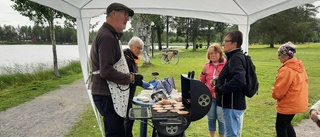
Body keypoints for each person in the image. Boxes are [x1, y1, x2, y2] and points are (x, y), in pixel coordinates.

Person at [89, 3, 144, 137]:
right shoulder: (107, 37)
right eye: (125, 14)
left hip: (109, 94)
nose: (127, 19)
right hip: (106, 94)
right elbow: (106, 71)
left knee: (118, 131)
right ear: (113, 13)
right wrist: (131, 78)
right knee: (115, 133)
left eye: (129, 16)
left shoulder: (110, 35)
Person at [272, 42, 308, 137]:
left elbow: (279, 91)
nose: (278, 57)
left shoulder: (287, 69)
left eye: (280, 55)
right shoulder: (299, 66)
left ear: (286, 56)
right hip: (297, 101)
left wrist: (274, 94)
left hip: (288, 103)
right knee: (287, 124)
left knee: (281, 127)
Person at [215, 30, 247, 137]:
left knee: (231, 135)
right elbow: (231, 76)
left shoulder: (235, 58)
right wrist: (217, 80)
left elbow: (240, 79)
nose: (223, 44)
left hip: (232, 105)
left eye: (226, 41)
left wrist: (221, 89)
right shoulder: (233, 56)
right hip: (232, 104)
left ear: (234, 43)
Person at [199, 43, 226, 137]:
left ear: (220, 53)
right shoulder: (206, 65)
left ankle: (222, 136)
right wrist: (203, 72)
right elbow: (201, 81)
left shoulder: (226, 64)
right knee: (211, 118)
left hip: (221, 98)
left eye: (215, 52)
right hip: (209, 98)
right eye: (210, 53)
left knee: (221, 118)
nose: (212, 55)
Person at [123, 36, 144, 137]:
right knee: (128, 119)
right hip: (124, 93)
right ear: (131, 46)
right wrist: (142, 83)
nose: (140, 50)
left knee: (130, 118)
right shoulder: (125, 58)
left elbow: (134, 77)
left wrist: (141, 82)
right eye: (138, 48)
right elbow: (128, 76)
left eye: (141, 48)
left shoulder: (132, 58)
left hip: (130, 93)